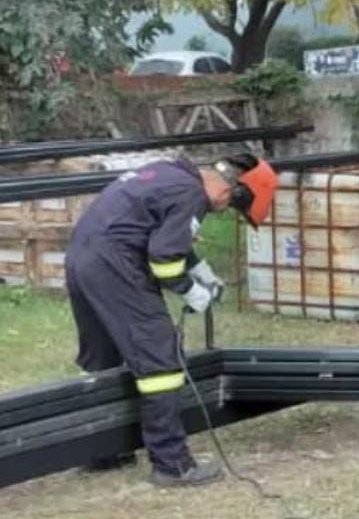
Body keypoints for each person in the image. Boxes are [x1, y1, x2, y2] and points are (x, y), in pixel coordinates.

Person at [65, 153, 277, 487]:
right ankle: (172, 463)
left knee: (102, 358)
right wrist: (191, 290)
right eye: (230, 206)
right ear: (230, 192)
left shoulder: (170, 174)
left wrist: (199, 270)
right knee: (160, 362)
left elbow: (161, 231)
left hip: (83, 257)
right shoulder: (192, 194)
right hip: (115, 265)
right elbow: (164, 258)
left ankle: (102, 451)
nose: (221, 210)